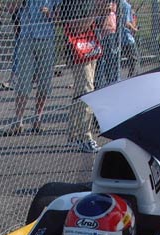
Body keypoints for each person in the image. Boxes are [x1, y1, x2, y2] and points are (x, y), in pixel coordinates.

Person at [3, 0, 60, 135]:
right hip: (26, 38)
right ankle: (18, 121)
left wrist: (50, 14)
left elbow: (59, 18)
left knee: (44, 82)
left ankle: (37, 119)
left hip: (46, 38)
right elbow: (10, 8)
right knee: (23, 81)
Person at [61, 0, 104, 152]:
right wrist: (97, 12)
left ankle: (73, 134)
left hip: (89, 46)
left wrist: (102, 12)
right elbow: (75, 26)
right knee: (87, 90)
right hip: (77, 50)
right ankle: (85, 136)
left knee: (81, 92)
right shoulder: (72, 4)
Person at [94, 0, 120, 89]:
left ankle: (111, 82)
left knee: (111, 59)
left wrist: (106, 8)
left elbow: (111, 9)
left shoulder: (113, 3)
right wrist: (103, 9)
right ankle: (99, 84)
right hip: (101, 33)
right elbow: (101, 10)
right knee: (101, 60)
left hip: (110, 32)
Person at [119, 0, 138, 77]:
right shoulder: (126, 5)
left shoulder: (119, 3)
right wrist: (134, 29)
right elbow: (126, 22)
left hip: (120, 38)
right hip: (127, 38)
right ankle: (132, 78)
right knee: (134, 60)